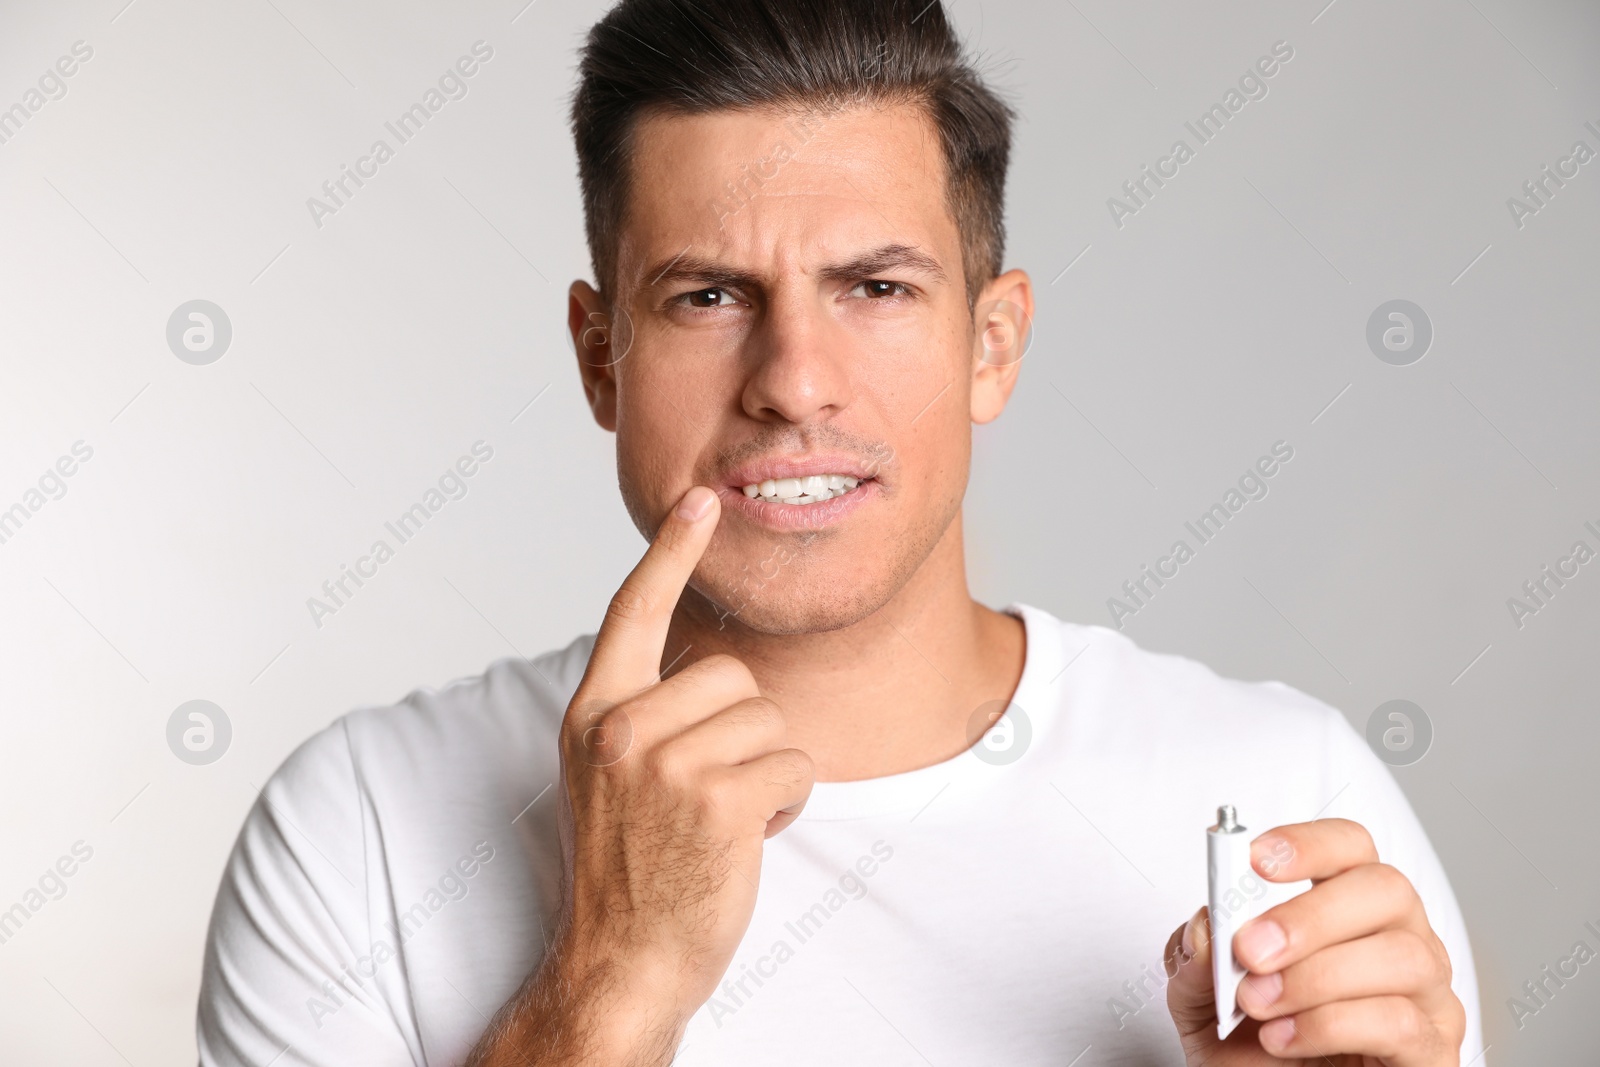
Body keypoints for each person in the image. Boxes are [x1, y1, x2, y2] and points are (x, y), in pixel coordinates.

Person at [197, 2, 1481, 1064]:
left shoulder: (1289, 798)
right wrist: (609, 986)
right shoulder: (357, 825)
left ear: (993, 343)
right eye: (707, 295)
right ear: (601, 357)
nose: (794, 380)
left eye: (875, 288)